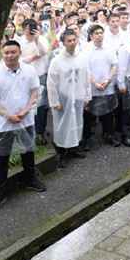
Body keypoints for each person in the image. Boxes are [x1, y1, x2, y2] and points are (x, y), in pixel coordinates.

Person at [0, 40, 46, 213]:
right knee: (1, 159)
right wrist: (8, 115)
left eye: (13, 52)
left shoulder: (29, 70)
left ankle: (30, 179)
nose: (10, 55)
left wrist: (26, 111)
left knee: (28, 152)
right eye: (7, 53)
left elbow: (35, 91)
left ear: (19, 52)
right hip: (4, 124)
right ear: (2, 54)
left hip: (25, 120)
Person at [46, 29, 89, 168]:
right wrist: (55, 101)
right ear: (63, 42)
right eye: (68, 41)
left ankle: (74, 148)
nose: (72, 43)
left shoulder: (82, 57)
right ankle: (61, 152)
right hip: (62, 99)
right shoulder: (57, 61)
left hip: (77, 98)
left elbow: (86, 78)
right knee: (61, 126)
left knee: (76, 123)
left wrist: (86, 96)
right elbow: (51, 83)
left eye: (74, 40)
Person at [81, 24, 120, 148]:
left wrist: (108, 80)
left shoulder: (109, 47)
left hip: (107, 85)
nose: (99, 36)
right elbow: (85, 69)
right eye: (96, 33)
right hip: (91, 87)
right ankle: (87, 138)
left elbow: (114, 65)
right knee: (88, 115)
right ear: (91, 36)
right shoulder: (85, 49)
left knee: (108, 113)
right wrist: (94, 83)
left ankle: (108, 135)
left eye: (101, 33)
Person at [18, 19, 50, 146]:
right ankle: (28, 131)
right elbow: (18, 60)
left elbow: (43, 52)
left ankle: (40, 132)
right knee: (27, 106)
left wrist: (36, 40)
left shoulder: (42, 39)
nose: (30, 30)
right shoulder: (20, 41)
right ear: (23, 29)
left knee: (41, 106)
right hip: (25, 78)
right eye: (27, 28)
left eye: (33, 27)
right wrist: (31, 58)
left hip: (40, 75)